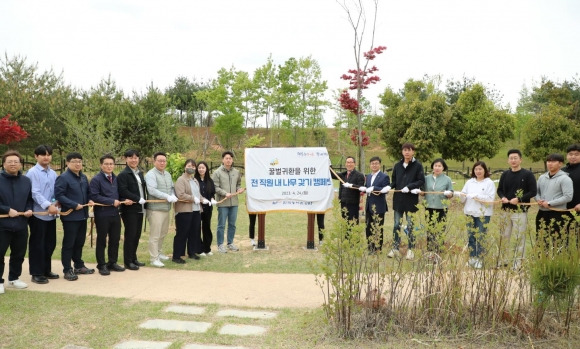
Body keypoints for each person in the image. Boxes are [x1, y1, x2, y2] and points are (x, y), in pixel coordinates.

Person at [55, 152, 95, 281]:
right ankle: (67, 269)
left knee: (79, 242)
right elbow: (59, 195)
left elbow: (88, 192)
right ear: (67, 163)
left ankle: (79, 265)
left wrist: (90, 200)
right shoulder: (63, 177)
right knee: (69, 243)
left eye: (79, 161)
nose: (77, 164)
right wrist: (73, 205)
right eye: (74, 161)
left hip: (83, 215)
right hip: (70, 216)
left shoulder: (83, 177)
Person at [496, 149, 537, 269]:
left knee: (519, 237)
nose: (513, 160)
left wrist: (519, 199)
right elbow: (499, 190)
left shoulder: (528, 175)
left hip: (520, 211)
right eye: (511, 158)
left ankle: (517, 263)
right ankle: (503, 261)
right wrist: (503, 197)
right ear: (508, 160)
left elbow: (533, 192)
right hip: (505, 210)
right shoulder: (505, 174)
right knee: (504, 236)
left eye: (515, 158)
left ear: (520, 159)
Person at [0, 150, 33, 294]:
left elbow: (29, 200)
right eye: (9, 162)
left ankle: (14, 278)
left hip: (20, 223)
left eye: (16, 161)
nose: (13, 164)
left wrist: (29, 209)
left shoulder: (26, 181)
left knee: (19, 253)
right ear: (3, 164)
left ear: (20, 164)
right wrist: (6, 209)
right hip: (2, 225)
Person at [26, 145, 60, 284]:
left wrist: (57, 202)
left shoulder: (53, 173)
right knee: (37, 244)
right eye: (42, 154)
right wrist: (48, 205)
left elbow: (55, 191)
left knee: (49, 243)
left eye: (48, 154)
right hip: (38, 213)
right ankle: (36, 273)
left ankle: (46, 269)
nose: (46, 157)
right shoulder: (32, 172)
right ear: (36, 156)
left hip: (51, 214)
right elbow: (35, 193)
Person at [89, 154, 125, 276]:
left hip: (115, 214)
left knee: (115, 239)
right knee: (102, 240)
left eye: (111, 164)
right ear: (101, 165)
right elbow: (94, 196)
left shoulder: (115, 178)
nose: (109, 166)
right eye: (106, 164)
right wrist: (111, 201)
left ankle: (112, 262)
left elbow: (119, 194)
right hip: (102, 214)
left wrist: (126, 200)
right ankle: (101, 264)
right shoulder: (96, 179)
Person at [456, 161, 496, 269]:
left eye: (480, 169)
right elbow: (463, 198)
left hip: (483, 214)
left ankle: (480, 259)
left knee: (481, 237)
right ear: (473, 171)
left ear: (485, 170)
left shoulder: (489, 183)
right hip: (470, 213)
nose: (478, 171)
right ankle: (472, 257)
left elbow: (490, 199)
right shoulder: (469, 182)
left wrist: (477, 196)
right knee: (471, 237)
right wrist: (460, 195)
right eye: (476, 169)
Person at [389, 143, 425, 260]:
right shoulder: (398, 165)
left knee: (410, 226)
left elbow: (421, 180)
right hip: (398, 200)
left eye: (409, 150)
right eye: (405, 150)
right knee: (396, 225)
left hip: (411, 200)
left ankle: (411, 249)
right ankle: (395, 248)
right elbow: (394, 181)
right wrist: (389, 187)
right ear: (402, 152)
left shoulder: (417, 166)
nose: (407, 152)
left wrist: (409, 186)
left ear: (413, 152)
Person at [145, 152, 178, 267]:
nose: (162, 163)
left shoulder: (167, 174)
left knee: (163, 232)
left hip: (166, 208)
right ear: (154, 162)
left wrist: (172, 195)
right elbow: (152, 190)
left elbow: (172, 187)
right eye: (160, 160)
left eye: (164, 161)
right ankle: (154, 258)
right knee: (155, 234)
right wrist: (167, 196)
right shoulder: (151, 174)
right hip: (155, 209)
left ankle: (159, 253)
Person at [117, 149, 148, 270]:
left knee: (136, 235)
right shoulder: (123, 175)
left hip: (139, 208)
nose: (134, 160)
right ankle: (128, 261)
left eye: (136, 158)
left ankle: (134, 258)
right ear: (126, 159)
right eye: (131, 158)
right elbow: (123, 190)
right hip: (129, 209)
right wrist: (137, 198)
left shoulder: (139, 173)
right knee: (130, 235)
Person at [535, 153, 573, 250]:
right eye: (548, 161)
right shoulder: (542, 177)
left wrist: (549, 203)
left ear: (560, 164)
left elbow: (568, 197)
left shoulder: (565, 179)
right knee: (541, 240)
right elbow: (536, 192)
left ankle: (558, 263)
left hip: (558, 214)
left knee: (558, 241)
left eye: (553, 161)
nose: (550, 164)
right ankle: (543, 262)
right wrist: (538, 199)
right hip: (542, 213)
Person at [212, 151, 245, 253]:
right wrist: (225, 193)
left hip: (234, 203)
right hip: (223, 203)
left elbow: (238, 184)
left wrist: (239, 189)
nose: (228, 160)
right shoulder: (217, 172)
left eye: (230, 158)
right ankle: (220, 244)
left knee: (232, 224)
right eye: (226, 158)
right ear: (223, 160)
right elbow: (215, 187)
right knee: (221, 224)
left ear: (232, 160)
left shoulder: (236, 172)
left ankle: (230, 243)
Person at [420, 158, 453, 256]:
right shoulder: (426, 178)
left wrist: (449, 193)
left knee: (440, 229)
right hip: (429, 207)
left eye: (439, 166)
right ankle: (430, 251)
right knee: (430, 229)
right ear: (432, 167)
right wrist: (420, 192)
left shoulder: (447, 179)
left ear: (443, 168)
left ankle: (439, 250)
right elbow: (422, 192)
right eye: (435, 166)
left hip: (441, 207)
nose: (437, 168)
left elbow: (451, 193)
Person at [173, 159, 203, 263]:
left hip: (195, 210)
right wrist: (192, 198)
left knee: (194, 232)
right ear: (185, 167)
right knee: (182, 233)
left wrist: (205, 200)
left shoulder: (194, 180)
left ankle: (192, 252)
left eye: (193, 166)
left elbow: (198, 195)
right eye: (189, 166)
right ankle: (176, 256)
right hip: (184, 211)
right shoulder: (181, 180)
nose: (191, 168)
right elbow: (180, 194)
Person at [358, 156, 390, 252]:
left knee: (378, 228)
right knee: (368, 227)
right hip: (369, 205)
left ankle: (378, 248)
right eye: (372, 163)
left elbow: (386, 190)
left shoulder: (384, 176)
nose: (374, 165)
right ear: (370, 165)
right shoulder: (368, 176)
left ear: (379, 164)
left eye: (376, 163)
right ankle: (370, 247)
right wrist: (363, 188)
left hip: (379, 206)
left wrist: (374, 188)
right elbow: (367, 187)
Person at [332, 156, 365, 225]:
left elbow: (361, 188)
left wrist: (351, 185)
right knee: (344, 223)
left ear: (355, 164)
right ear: (345, 164)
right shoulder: (343, 175)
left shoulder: (359, 175)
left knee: (353, 223)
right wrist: (329, 164)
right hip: (343, 203)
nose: (349, 164)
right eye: (347, 162)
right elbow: (332, 175)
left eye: (351, 162)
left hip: (353, 204)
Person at [195, 161, 216, 255]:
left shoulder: (210, 181)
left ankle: (207, 248)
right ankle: (199, 249)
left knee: (207, 227)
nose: (201, 169)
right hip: (197, 208)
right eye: (199, 168)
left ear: (206, 169)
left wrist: (212, 199)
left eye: (203, 168)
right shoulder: (194, 180)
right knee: (197, 228)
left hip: (207, 208)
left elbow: (212, 193)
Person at [563, 144, 580, 239]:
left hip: (578, 209)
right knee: (565, 238)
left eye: (576, 154)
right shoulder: (562, 171)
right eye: (570, 154)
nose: (573, 156)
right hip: (563, 210)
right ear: (567, 156)